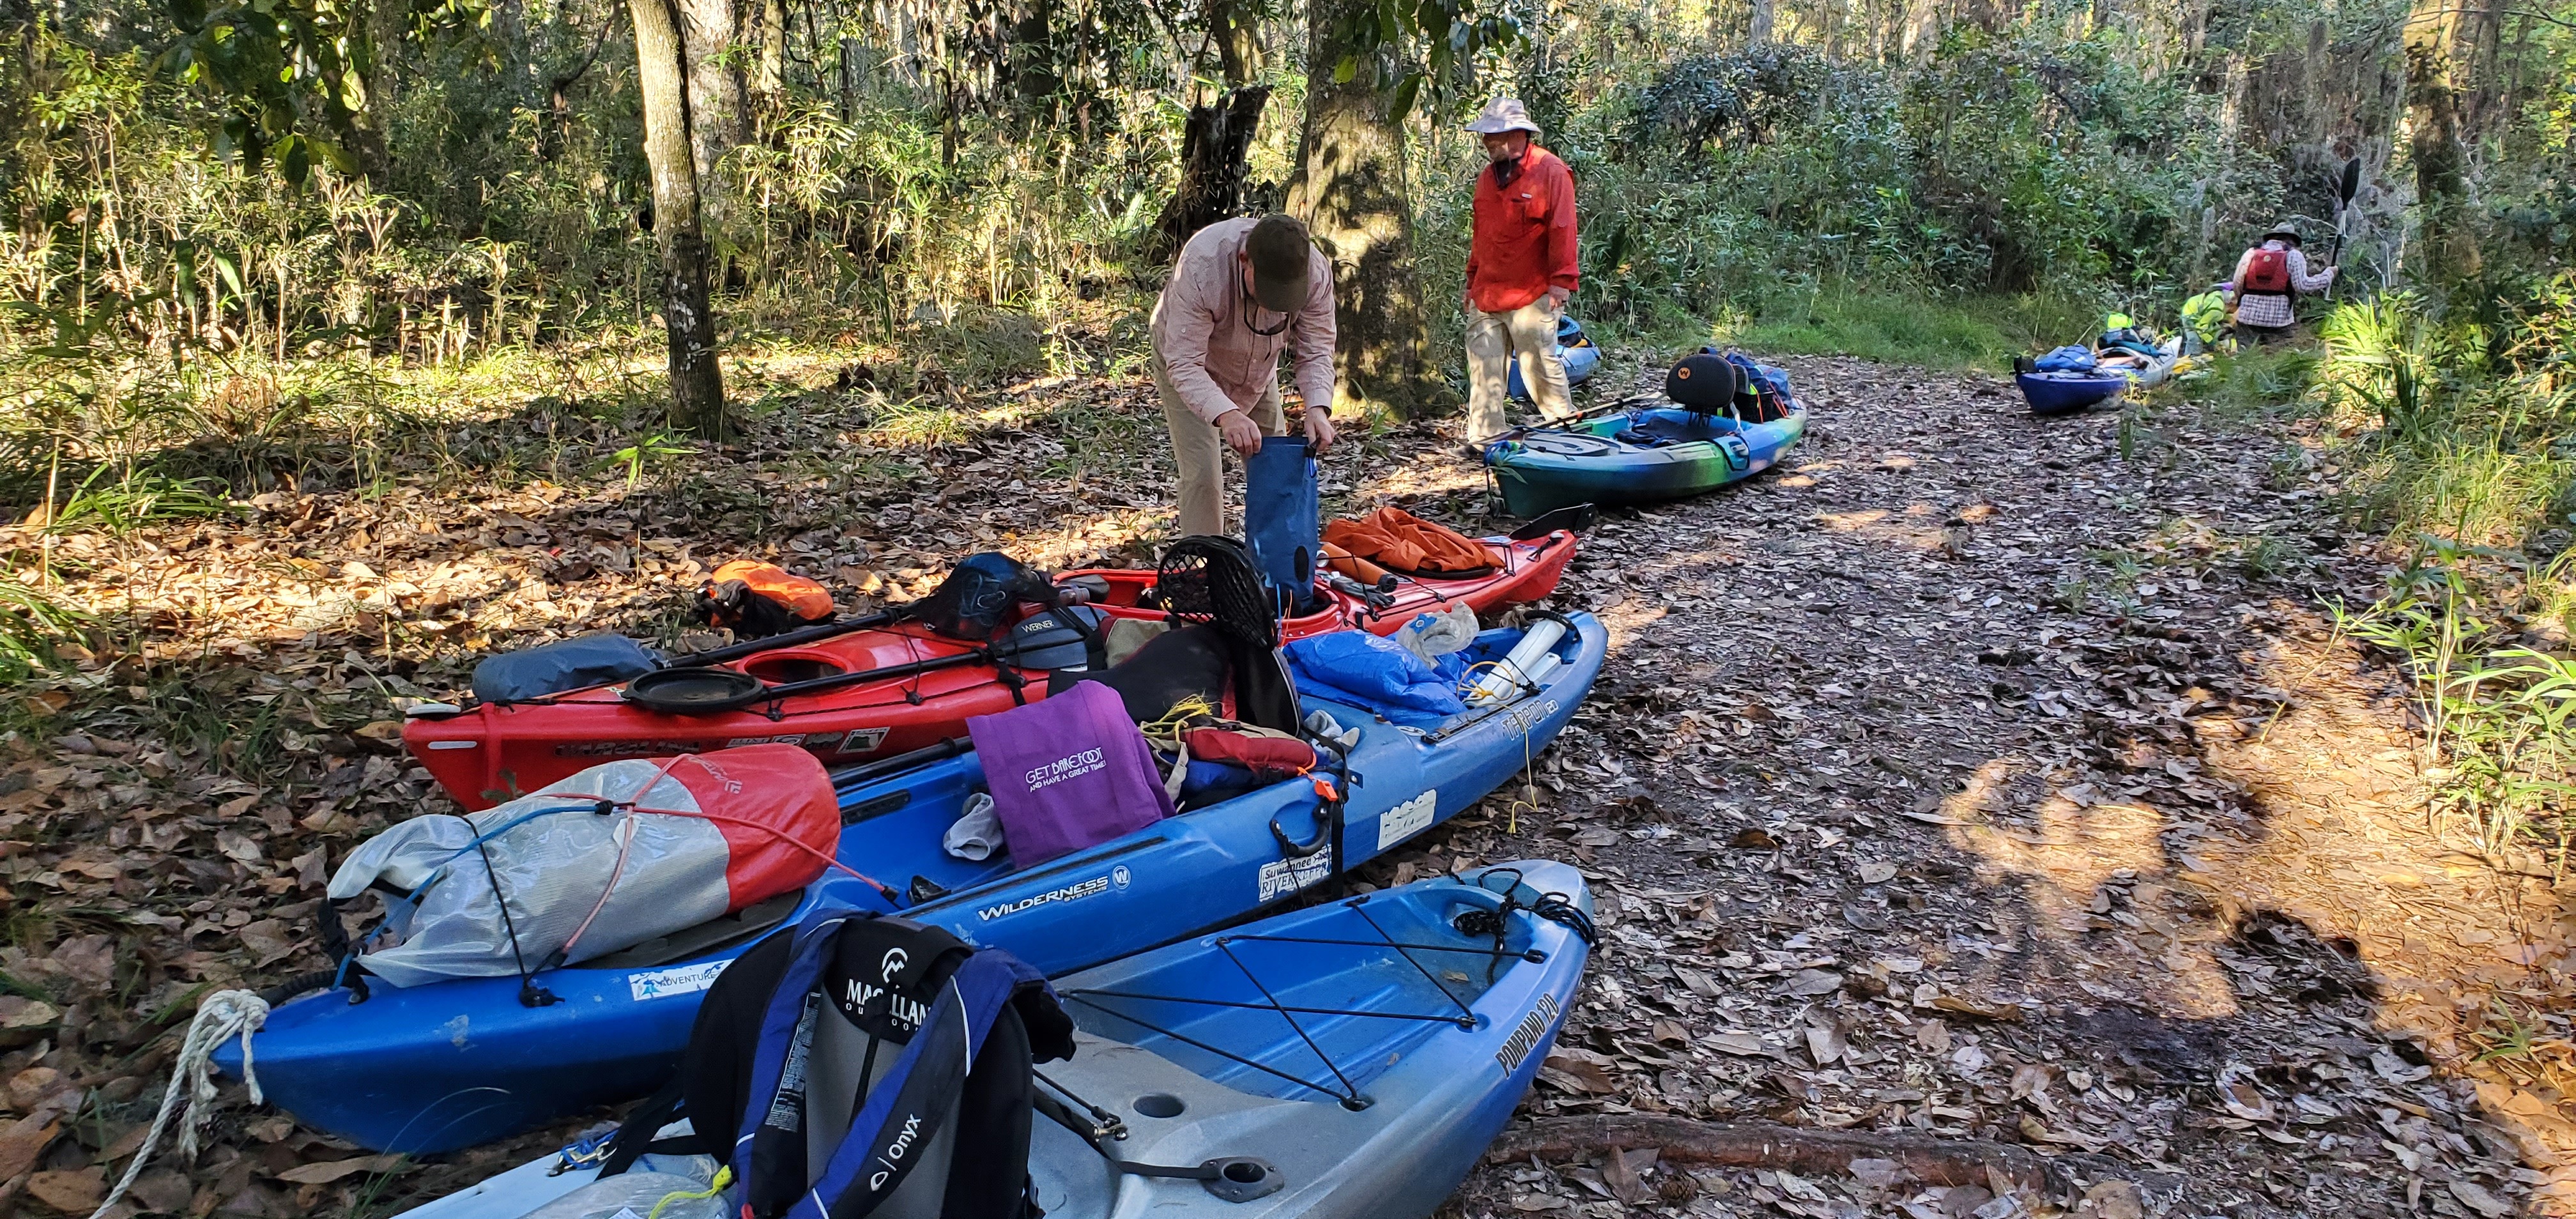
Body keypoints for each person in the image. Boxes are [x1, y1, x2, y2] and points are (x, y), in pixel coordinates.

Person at [1149, 213, 1338, 538]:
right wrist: (1228, 415)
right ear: (1244, 260)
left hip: (1258, 367)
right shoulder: (1204, 266)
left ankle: (1275, 572)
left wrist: (1317, 409)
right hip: (1192, 365)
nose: (1274, 303)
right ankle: (1205, 570)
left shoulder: (1315, 273)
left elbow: (1317, 349)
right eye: (1267, 289)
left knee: (1275, 466)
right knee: (1203, 477)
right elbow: (1183, 362)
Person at [1462, 97, 1579, 447]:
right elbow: (1481, 234)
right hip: (1487, 291)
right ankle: (1486, 438)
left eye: (1495, 135)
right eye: (1486, 136)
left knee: (1539, 368)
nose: (1488, 142)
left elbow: (1563, 228)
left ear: (1518, 135)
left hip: (1533, 293)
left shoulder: (1551, 171)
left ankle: (1566, 435)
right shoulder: (1487, 179)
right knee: (1483, 369)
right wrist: (1471, 282)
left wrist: (1561, 283)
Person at [2228, 223, 2334, 342]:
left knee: (2245, 357)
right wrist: (2328, 275)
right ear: (2292, 240)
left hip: (2247, 317)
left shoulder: (2251, 253)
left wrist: (2243, 303)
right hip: (2278, 321)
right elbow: (2303, 285)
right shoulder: (2293, 255)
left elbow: (2237, 283)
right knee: (2279, 357)